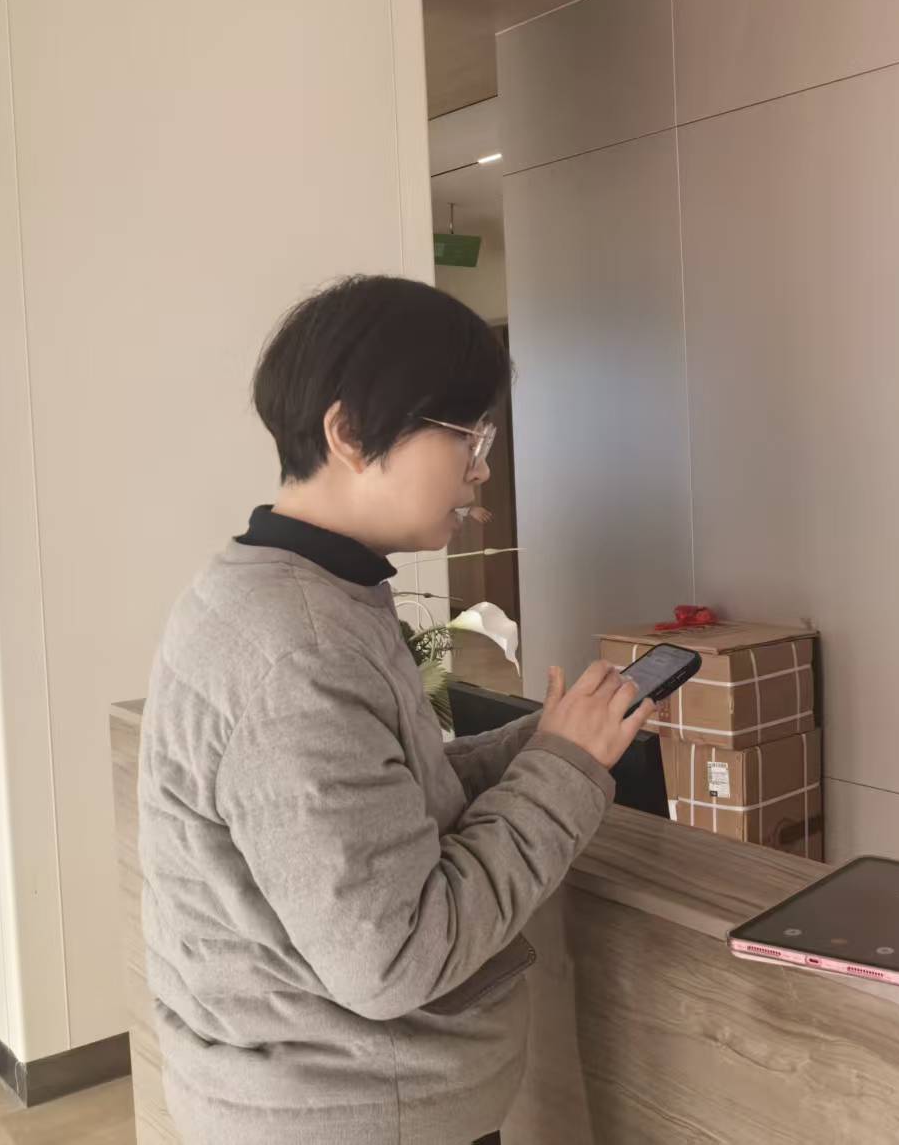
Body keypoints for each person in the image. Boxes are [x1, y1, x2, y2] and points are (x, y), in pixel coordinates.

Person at [138, 275, 655, 1144]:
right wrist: (562, 773)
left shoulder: (283, 590)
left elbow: (379, 796)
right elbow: (398, 955)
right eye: (465, 435)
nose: (480, 468)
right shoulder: (299, 650)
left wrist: (547, 741)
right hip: (353, 1116)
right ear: (348, 432)